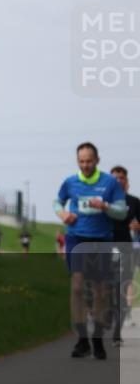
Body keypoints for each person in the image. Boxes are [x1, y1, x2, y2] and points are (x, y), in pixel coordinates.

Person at [53, 142, 127, 360]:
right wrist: (63, 214)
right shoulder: (70, 182)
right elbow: (58, 201)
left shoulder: (110, 183)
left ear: (97, 160)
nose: (85, 165)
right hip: (76, 238)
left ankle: (97, 338)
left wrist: (105, 206)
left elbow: (122, 212)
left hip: (101, 240)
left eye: (89, 161)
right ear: (78, 161)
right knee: (77, 286)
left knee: (100, 290)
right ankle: (82, 339)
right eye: (81, 161)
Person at [109, 166, 140, 347]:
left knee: (123, 288)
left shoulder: (134, 202)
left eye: (121, 177)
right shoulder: (103, 201)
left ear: (126, 180)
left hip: (126, 249)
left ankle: (116, 333)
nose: (118, 180)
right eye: (115, 178)